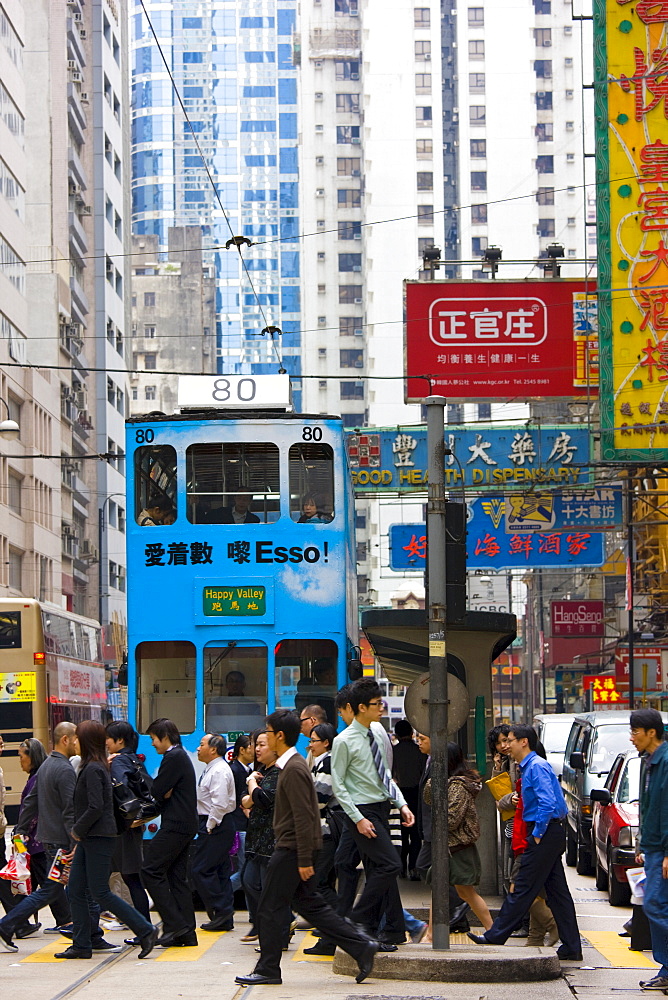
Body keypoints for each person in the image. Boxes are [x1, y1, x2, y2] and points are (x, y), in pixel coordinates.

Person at [234, 709, 379, 986]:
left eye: (267, 731)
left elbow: (305, 815)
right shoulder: (289, 766)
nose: (262, 737)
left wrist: (303, 858)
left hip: (291, 849)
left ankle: (267, 969)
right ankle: (362, 947)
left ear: (279, 736)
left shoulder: (295, 768)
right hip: (292, 848)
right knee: (310, 905)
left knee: (269, 908)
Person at [467, 724, 582, 961]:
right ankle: (572, 946)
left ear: (524, 742)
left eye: (510, 740)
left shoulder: (536, 767)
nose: (506, 745)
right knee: (557, 893)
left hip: (545, 832)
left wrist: (538, 832)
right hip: (547, 832)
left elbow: (547, 803)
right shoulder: (528, 766)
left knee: (522, 887)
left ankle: (496, 934)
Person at [54, 721, 157, 960]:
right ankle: (82, 943)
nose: (75, 742)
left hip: (98, 837)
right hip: (92, 837)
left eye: (78, 738)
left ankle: (145, 929)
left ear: (87, 741)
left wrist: (77, 830)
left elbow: (95, 806)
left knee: (100, 891)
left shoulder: (93, 769)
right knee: (77, 890)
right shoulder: (94, 766)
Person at [330, 678, 414, 943]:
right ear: (361, 707)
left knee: (377, 865)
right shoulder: (343, 741)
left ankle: (375, 929)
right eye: (377, 704)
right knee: (389, 864)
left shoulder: (378, 731)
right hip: (362, 811)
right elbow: (338, 784)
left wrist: (401, 804)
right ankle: (359, 919)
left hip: (381, 806)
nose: (382, 708)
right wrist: (358, 818)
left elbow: (385, 774)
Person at [0, 722, 91, 952]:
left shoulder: (47, 766)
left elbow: (30, 801)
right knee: (56, 889)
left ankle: (89, 935)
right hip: (61, 843)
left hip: (49, 840)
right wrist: (75, 841)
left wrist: (19, 831)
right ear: (66, 740)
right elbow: (69, 809)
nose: (77, 743)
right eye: (75, 738)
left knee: (61, 888)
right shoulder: (64, 769)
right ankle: (6, 925)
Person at [141, 717, 198, 948]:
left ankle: (174, 924)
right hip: (185, 824)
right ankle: (186, 933)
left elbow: (157, 790)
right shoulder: (180, 756)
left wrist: (161, 790)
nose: (153, 744)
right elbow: (162, 792)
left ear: (165, 737)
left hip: (176, 824)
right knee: (176, 877)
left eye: (154, 739)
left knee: (150, 870)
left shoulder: (172, 757)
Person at [414, 733, 470, 939]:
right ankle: (459, 918)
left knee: (425, 866)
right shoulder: (429, 761)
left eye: (423, 738)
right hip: (430, 826)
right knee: (439, 871)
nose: (419, 742)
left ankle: (458, 902)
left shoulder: (443, 769)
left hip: (438, 829)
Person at [435, 742, 492, 931]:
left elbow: (451, 819)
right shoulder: (449, 782)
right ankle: (492, 930)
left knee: (464, 892)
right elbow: (428, 797)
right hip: (453, 846)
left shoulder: (458, 786)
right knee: (453, 891)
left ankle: (493, 930)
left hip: (457, 846)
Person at [630, 708, 668, 992]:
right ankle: (665, 968)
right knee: (655, 905)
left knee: (655, 904)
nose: (632, 738)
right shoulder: (648, 760)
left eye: (636, 732)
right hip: (653, 847)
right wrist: (643, 843)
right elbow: (648, 806)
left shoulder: (665, 761)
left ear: (651, 732)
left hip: (663, 849)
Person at [105, 721, 151, 924]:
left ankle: (144, 927)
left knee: (131, 879)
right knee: (131, 878)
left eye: (108, 738)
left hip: (124, 828)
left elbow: (120, 787)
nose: (106, 742)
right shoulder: (134, 759)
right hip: (132, 827)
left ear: (120, 740)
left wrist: (127, 813)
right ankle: (142, 925)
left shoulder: (119, 761)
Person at [192, 733, 236, 932]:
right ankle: (223, 915)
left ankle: (221, 910)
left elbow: (219, 803)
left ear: (213, 749)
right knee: (219, 870)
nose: (198, 748)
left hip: (216, 823)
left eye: (202, 745)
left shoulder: (218, 770)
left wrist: (210, 825)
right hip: (215, 822)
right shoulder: (213, 768)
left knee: (201, 869)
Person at [240, 730, 281, 944]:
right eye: (256, 745)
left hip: (270, 840)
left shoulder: (276, 773)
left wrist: (251, 785)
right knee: (249, 881)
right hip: (256, 840)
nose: (257, 749)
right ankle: (265, 928)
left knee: (267, 890)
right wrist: (251, 792)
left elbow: (262, 799)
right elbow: (244, 801)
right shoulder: (260, 772)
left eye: (262, 745)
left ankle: (276, 934)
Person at [14, 738, 49, 937]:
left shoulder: (37, 779)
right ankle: (18, 922)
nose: (20, 761)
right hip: (33, 842)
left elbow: (33, 811)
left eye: (21, 757)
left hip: (36, 841)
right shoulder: (35, 777)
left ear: (32, 757)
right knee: (30, 885)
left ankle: (16, 922)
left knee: (48, 886)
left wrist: (22, 831)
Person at [392, 720, 425, 880]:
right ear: (412, 733)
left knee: (401, 833)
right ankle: (414, 867)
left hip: (399, 796)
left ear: (396, 735)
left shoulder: (392, 752)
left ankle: (401, 868)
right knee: (416, 834)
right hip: (416, 794)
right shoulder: (420, 751)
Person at [229, 734, 255, 896]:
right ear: (242, 750)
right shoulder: (234, 770)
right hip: (239, 825)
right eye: (252, 747)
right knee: (245, 870)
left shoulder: (249, 770)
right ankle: (219, 895)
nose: (255, 751)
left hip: (246, 825)